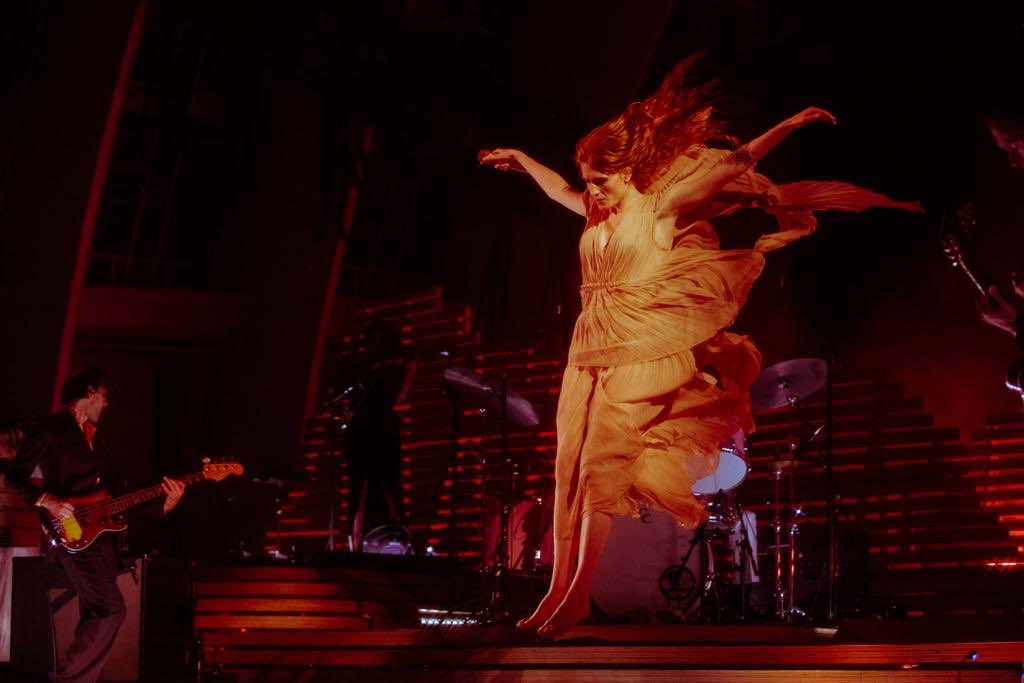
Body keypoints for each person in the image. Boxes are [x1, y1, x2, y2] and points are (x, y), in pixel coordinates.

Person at [480, 56, 921, 638]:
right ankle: (555, 592)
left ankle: (579, 595)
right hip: (588, 347)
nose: (593, 190)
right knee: (567, 472)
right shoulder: (593, 210)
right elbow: (560, 189)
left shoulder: (658, 210)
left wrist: (789, 125)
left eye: (602, 180)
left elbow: (734, 165)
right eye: (589, 180)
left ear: (628, 172)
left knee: (598, 470)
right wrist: (522, 159)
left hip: (639, 349)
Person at [4, 367, 184, 682]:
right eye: (105, 396)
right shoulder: (51, 428)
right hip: (71, 533)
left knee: (96, 613)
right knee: (111, 610)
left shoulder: (96, 441)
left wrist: (164, 504)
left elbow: (120, 495)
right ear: (90, 392)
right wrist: (49, 501)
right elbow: (14, 478)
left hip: (101, 538)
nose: (107, 403)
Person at [331, 320, 416, 550]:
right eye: (372, 339)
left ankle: (400, 540)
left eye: (380, 339)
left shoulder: (394, 366)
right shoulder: (357, 365)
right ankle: (354, 541)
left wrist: (410, 369)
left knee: (390, 482)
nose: (375, 344)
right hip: (359, 427)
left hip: (383, 426)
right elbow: (343, 393)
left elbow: (398, 398)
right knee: (358, 485)